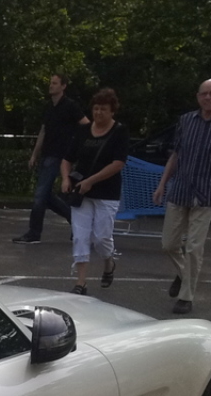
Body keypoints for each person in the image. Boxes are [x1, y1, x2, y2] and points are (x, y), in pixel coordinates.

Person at [150, 78, 211, 314]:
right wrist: (162, 185)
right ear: (198, 96)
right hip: (180, 190)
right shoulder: (186, 121)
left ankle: (186, 297)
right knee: (168, 243)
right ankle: (183, 274)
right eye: (204, 93)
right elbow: (176, 155)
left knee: (193, 246)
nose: (209, 98)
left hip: (206, 194)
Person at [61, 88, 129, 295]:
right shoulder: (83, 131)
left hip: (106, 193)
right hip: (81, 193)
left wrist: (92, 180)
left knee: (101, 237)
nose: (98, 113)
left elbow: (118, 163)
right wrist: (65, 178)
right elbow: (67, 158)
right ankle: (81, 282)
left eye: (103, 109)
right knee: (80, 236)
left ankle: (109, 263)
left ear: (112, 111)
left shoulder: (119, 132)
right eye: (96, 108)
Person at [13, 74, 89, 244]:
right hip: (47, 154)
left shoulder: (70, 106)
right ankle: (76, 221)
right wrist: (35, 154)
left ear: (63, 86)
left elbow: (86, 124)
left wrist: (77, 145)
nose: (51, 86)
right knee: (46, 195)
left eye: (55, 83)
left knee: (40, 194)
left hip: (60, 155)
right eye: (51, 83)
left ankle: (34, 232)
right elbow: (43, 131)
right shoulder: (49, 108)